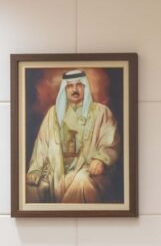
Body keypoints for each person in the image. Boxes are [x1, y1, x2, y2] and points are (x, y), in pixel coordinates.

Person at [25, 69, 120, 203]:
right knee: (29, 188)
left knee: (81, 182)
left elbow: (110, 141)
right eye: (70, 86)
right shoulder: (53, 114)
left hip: (88, 172)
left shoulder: (101, 112)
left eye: (79, 85)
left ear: (85, 87)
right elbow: (42, 145)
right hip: (56, 172)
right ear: (64, 89)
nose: (74, 89)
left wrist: (101, 159)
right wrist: (35, 170)